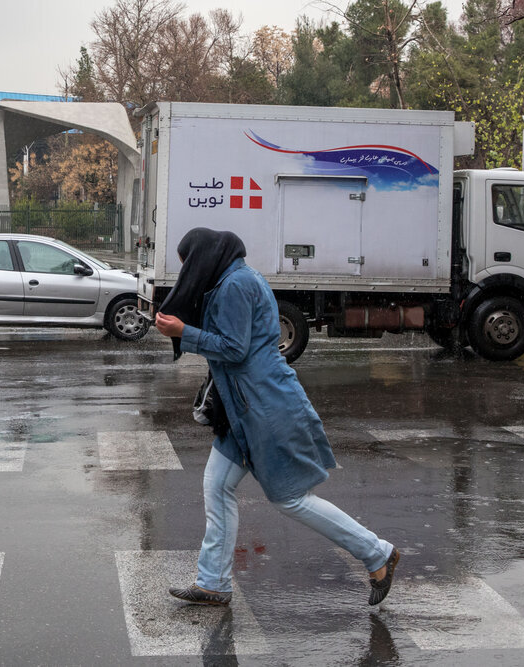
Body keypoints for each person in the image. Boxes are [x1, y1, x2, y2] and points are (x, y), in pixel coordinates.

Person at [154, 227, 399, 607]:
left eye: (189, 263)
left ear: (204, 258)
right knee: (217, 488)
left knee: (292, 499)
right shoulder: (234, 279)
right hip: (243, 409)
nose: (187, 272)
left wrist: (185, 331)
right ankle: (212, 583)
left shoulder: (235, 285)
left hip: (265, 407)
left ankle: (377, 553)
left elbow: (234, 350)